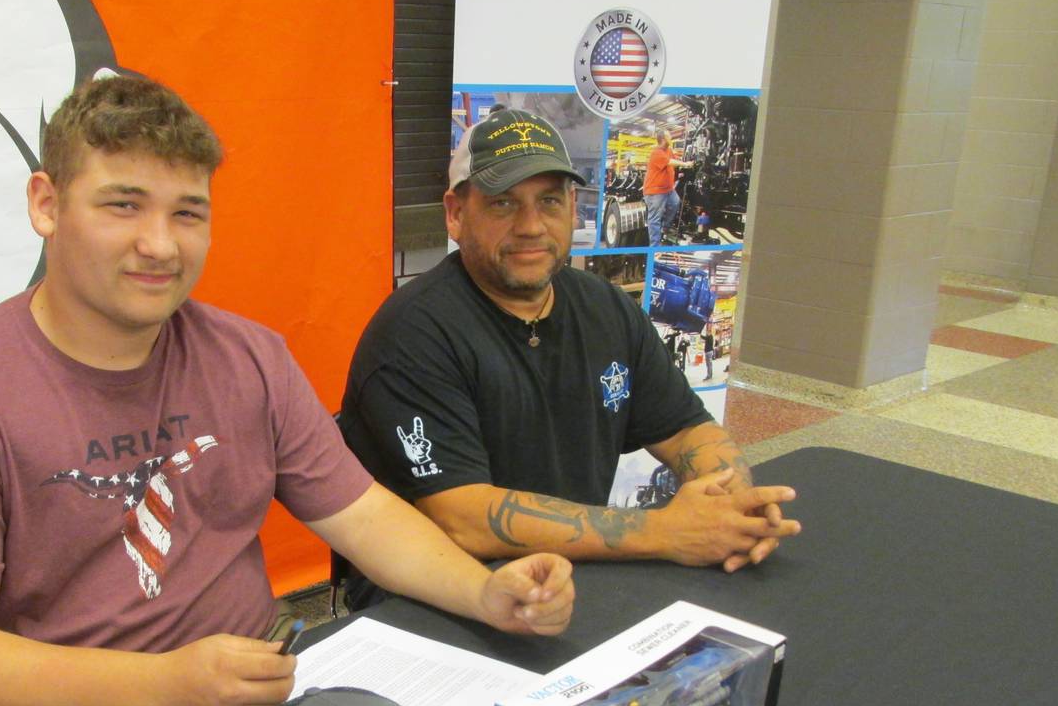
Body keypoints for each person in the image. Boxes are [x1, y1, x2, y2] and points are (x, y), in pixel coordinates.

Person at [0, 76, 575, 706]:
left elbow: (362, 516)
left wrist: (484, 593)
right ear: (46, 205)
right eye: (123, 205)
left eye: (187, 212)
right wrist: (165, 687)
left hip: (247, 679)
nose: (161, 244)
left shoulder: (248, 356)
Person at [339, 107, 799, 608]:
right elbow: (463, 517)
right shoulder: (415, 334)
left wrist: (735, 505)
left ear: (573, 205)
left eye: (550, 201)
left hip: (576, 576)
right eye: (502, 204)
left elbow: (688, 429)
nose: (531, 226)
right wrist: (665, 531)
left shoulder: (604, 307)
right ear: (455, 213)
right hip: (432, 600)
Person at [643, 129, 694, 248]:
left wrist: (686, 163)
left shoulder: (668, 150)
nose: (671, 137)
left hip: (667, 189)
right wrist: (685, 164)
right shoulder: (657, 152)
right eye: (669, 136)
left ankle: (665, 228)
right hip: (655, 191)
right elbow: (670, 162)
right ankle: (655, 246)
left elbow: (676, 159)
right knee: (655, 218)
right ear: (663, 139)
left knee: (675, 203)